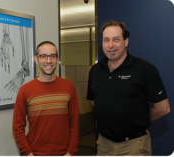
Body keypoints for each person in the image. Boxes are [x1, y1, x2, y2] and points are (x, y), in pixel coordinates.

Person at [87, 20, 171, 156]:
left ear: (126, 41)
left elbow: (163, 108)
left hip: (134, 146)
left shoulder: (145, 69)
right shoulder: (95, 71)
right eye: (106, 40)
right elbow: (94, 102)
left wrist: (137, 121)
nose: (110, 45)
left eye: (116, 40)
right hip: (103, 145)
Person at [13, 41, 80, 157]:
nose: (48, 61)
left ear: (57, 59)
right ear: (36, 59)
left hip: (64, 154)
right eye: (43, 56)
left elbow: (75, 123)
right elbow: (17, 127)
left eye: (52, 56)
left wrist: (71, 153)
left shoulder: (69, 87)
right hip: (34, 154)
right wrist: (28, 154)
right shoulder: (25, 90)